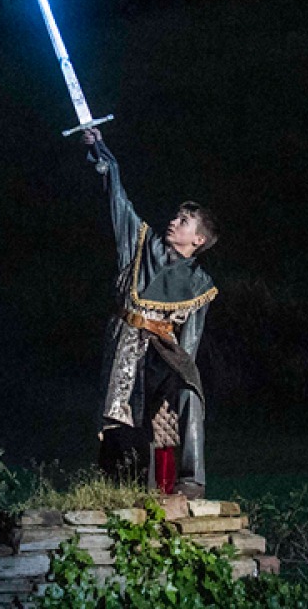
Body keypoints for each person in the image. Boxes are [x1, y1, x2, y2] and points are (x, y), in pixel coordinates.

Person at [83, 127, 218, 496]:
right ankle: (117, 490)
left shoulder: (200, 284)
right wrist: (102, 153)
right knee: (121, 424)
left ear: (198, 239)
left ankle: (191, 480)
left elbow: (188, 344)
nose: (173, 221)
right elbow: (118, 201)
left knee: (189, 392)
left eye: (184, 221)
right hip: (127, 345)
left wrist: (179, 375)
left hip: (163, 354)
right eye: (175, 217)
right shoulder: (141, 244)